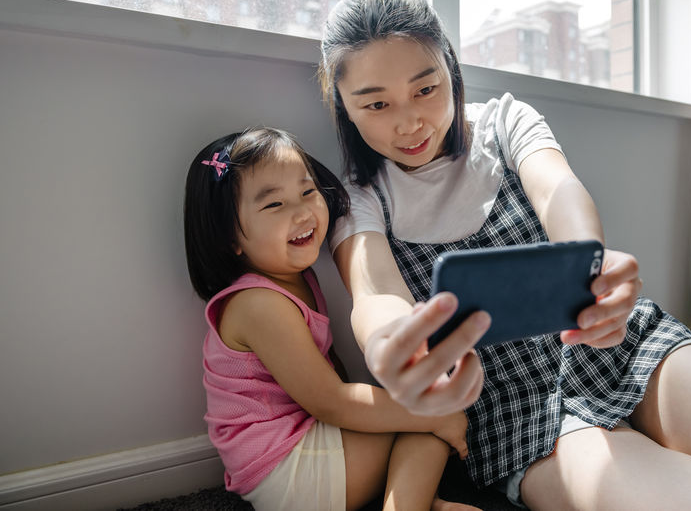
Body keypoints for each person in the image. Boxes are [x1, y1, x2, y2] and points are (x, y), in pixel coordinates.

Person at [319, 0, 691, 510]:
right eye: (375, 105)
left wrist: (590, 268)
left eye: (426, 88)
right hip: (513, 409)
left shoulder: (502, 122)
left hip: (608, 341)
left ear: (450, 67)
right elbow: (374, 296)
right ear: (344, 106)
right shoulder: (360, 200)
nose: (410, 120)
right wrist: (391, 347)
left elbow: (559, 191)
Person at [183, 126, 480, 511]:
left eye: (307, 192)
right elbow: (330, 401)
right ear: (230, 238)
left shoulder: (296, 280)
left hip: (296, 451)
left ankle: (422, 498)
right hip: (288, 469)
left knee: (416, 406)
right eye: (274, 205)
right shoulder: (258, 303)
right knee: (431, 412)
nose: (303, 211)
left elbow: (329, 372)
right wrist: (430, 416)